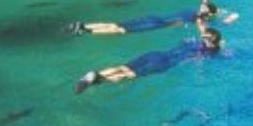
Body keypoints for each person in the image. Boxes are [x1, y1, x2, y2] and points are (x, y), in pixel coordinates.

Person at [74, 18, 223, 94]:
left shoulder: (194, 41)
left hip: (155, 54)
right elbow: (201, 59)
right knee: (127, 75)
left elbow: (202, 30)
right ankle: (98, 80)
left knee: (122, 67)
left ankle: (94, 75)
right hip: (162, 63)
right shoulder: (208, 52)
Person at [69, 0, 237, 36]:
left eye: (204, 8)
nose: (201, 7)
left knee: (117, 26)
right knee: (119, 29)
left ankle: (83, 26)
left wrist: (226, 16)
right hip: (157, 23)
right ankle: (85, 29)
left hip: (157, 20)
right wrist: (226, 16)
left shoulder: (202, 16)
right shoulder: (202, 18)